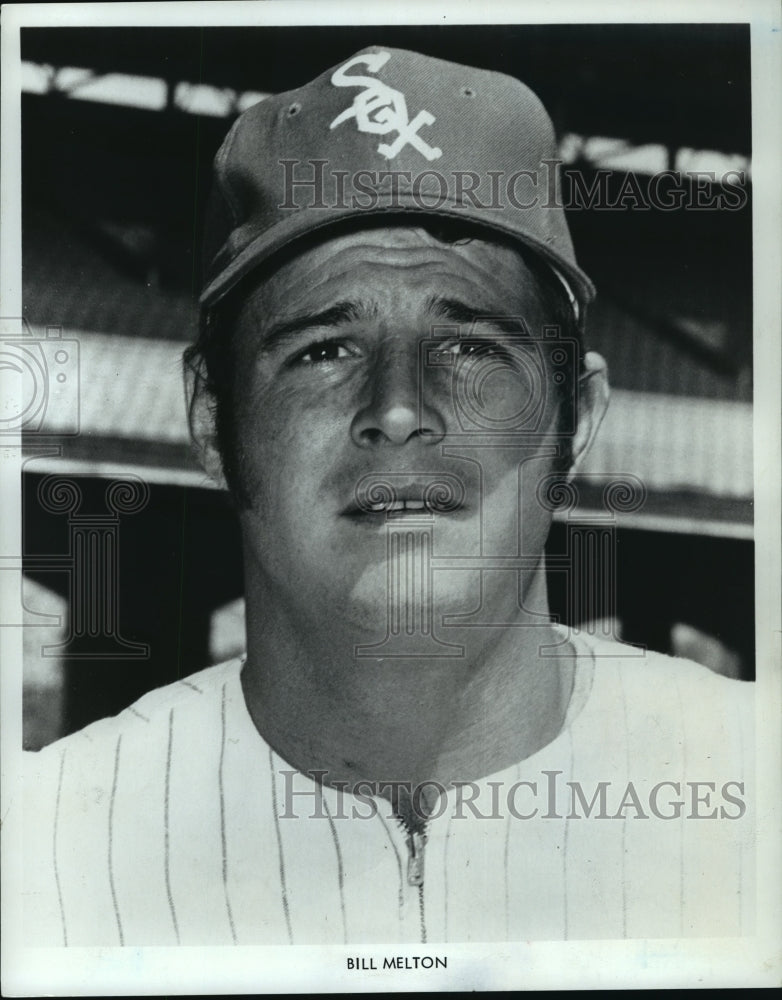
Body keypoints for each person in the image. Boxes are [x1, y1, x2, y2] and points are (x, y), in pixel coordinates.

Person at [21, 46, 753, 947]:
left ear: (580, 412)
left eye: (474, 346)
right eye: (322, 350)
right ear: (212, 419)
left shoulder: (763, 792)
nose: (398, 410)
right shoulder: (46, 850)